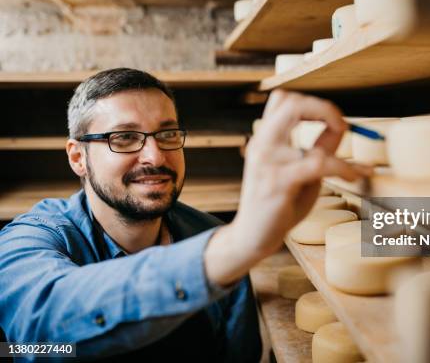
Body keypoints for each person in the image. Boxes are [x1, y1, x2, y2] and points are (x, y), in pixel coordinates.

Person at [0, 68, 372, 361]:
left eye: (167, 135)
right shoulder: (33, 237)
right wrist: (237, 245)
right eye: (125, 138)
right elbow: (38, 334)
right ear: (78, 157)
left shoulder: (213, 237)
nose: (156, 157)